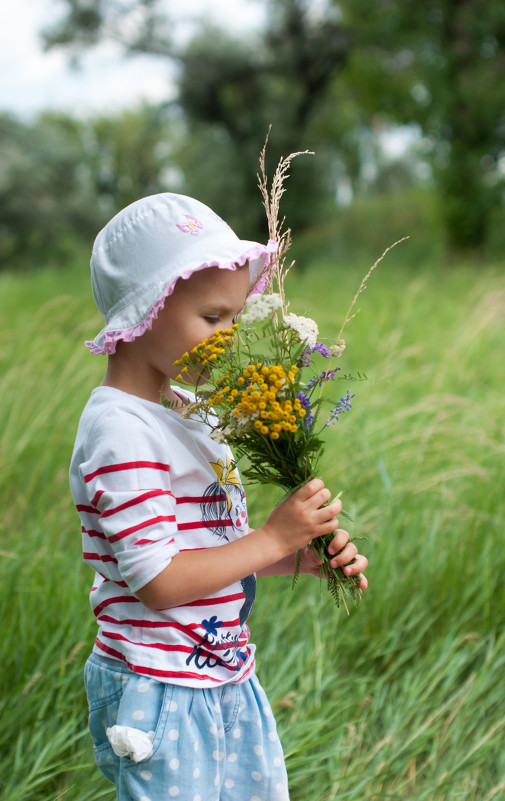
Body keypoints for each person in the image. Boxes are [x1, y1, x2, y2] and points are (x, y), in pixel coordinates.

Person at [70, 192, 368, 801]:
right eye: (213, 319)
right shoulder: (122, 431)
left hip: (218, 671)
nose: (230, 338)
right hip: (160, 687)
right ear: (146, 310)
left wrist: (289, 556)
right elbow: (157, 581)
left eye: (235, 317)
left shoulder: (188, 412)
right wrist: (271, 537)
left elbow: (203, 553)